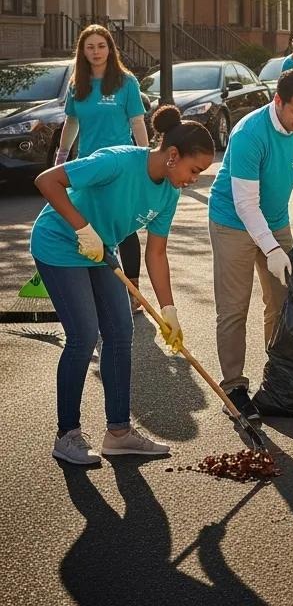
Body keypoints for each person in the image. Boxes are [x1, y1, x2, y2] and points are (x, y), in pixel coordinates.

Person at [31, 105, 215, 466]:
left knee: (120, 333)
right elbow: (47, 180)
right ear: (172, 155)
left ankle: (118, 433)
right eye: (194, 170)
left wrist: (169, 312)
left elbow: (156, 255)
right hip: (59, 243)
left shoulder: (169, 194)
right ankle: (66, 435)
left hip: (102, 251)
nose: (194, 179)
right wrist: (82, 228)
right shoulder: (117, 162)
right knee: (84, 336)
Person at [207, 67, 293, 421]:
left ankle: (278, 377)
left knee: (282, 303)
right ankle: (233, 388)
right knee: (233, 308)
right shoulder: (250, 134)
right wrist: (272, 249)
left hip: (275, 220)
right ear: (277, 101)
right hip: (232, 222)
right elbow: (246, 204)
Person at [54, 25, 149, 306]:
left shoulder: (126, 82)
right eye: (90, 47)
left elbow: (137, 122)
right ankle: (98, 289)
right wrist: (62, 156)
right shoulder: (77, 85)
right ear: (82, 52)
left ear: (110, 49)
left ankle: (132, 292)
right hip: (87, 165)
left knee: (123, 226)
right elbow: (72, 122)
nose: (96, 52)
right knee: (89, 227)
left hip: (121, 163)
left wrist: (144, 157)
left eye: (101, 46)